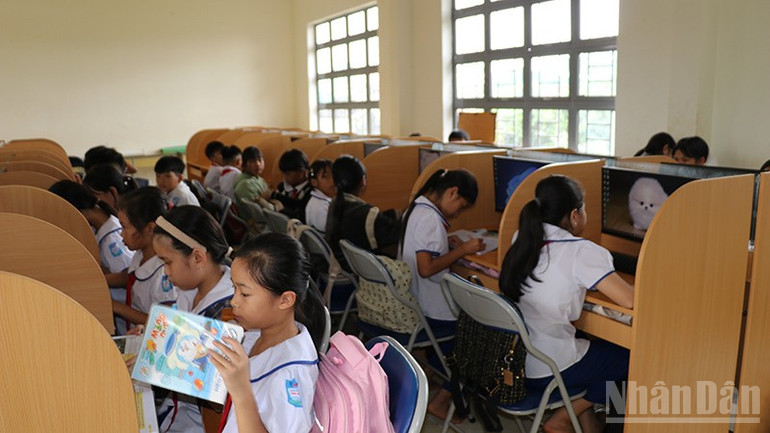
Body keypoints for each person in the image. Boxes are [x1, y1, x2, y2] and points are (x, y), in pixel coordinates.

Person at [499, 175, 634, 433]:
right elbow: (628, 299)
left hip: (516, 358)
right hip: (548, 366)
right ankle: (566, 416)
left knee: (594, 345)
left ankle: (587, 422)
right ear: (574, 215)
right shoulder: (582, 251)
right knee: (628, 355)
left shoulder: (523, 237)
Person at [210, 233, 325, 433]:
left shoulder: (291, 376)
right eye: (234, 287)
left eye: (244, 293)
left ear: (285, 300)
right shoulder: (255, 335)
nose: (234, 301)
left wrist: (241, 392)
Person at [399, 169, 484, 420]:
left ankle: (437, 377)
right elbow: (427, 268)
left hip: (415, 302)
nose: (458, 213)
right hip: (432, 310)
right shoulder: (430, 218)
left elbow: (423, 250)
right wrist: (464, 250)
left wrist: (447, 241)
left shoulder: (417, 208)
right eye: (461, 206)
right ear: (452, 192)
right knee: (480, 341)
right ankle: (441, 400)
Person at [151, 205, 235, 433]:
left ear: (198, 257)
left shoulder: (230, 313)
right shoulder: (189, 290)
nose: (165, 272)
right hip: (175, 413)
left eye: (167, 262)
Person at [48, 180, 135, 334]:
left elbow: (127, 278)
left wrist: (93, 279)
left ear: (73, 211)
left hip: (127, 318)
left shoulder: (113, 241)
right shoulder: (103, 229)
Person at [108, 187, 178, 328]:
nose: (121, 234)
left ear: (150, 228)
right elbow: (129, 276)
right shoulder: (141, 253)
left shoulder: (164, 271)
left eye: (125, 227)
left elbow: (164, 322)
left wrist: (117, 307)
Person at [325, 155, 401, 267]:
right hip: (361, 273)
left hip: (342, 266)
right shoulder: (366, 214)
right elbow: (397, 232)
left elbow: (377, 222)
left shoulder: (336, 203)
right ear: (363, 180)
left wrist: (396, 214)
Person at [271, 149, 313, 221]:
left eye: (287, 174)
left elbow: (300, 207)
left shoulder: (311, 190)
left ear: (301, 172)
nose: (284, 177)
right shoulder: (282, 187)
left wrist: (276, 197)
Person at [234, 146, 270, 211]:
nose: (258, 164)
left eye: (260, 160)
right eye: (252, 161)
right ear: (244, 164)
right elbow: (258, 212)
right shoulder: (245, 185)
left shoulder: (259, 179)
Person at [304, 159, 335, 233]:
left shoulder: (320, 200)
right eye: (326, 176)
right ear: (314, 182)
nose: (333, 180)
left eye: (334, 175)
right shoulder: (320, 207)